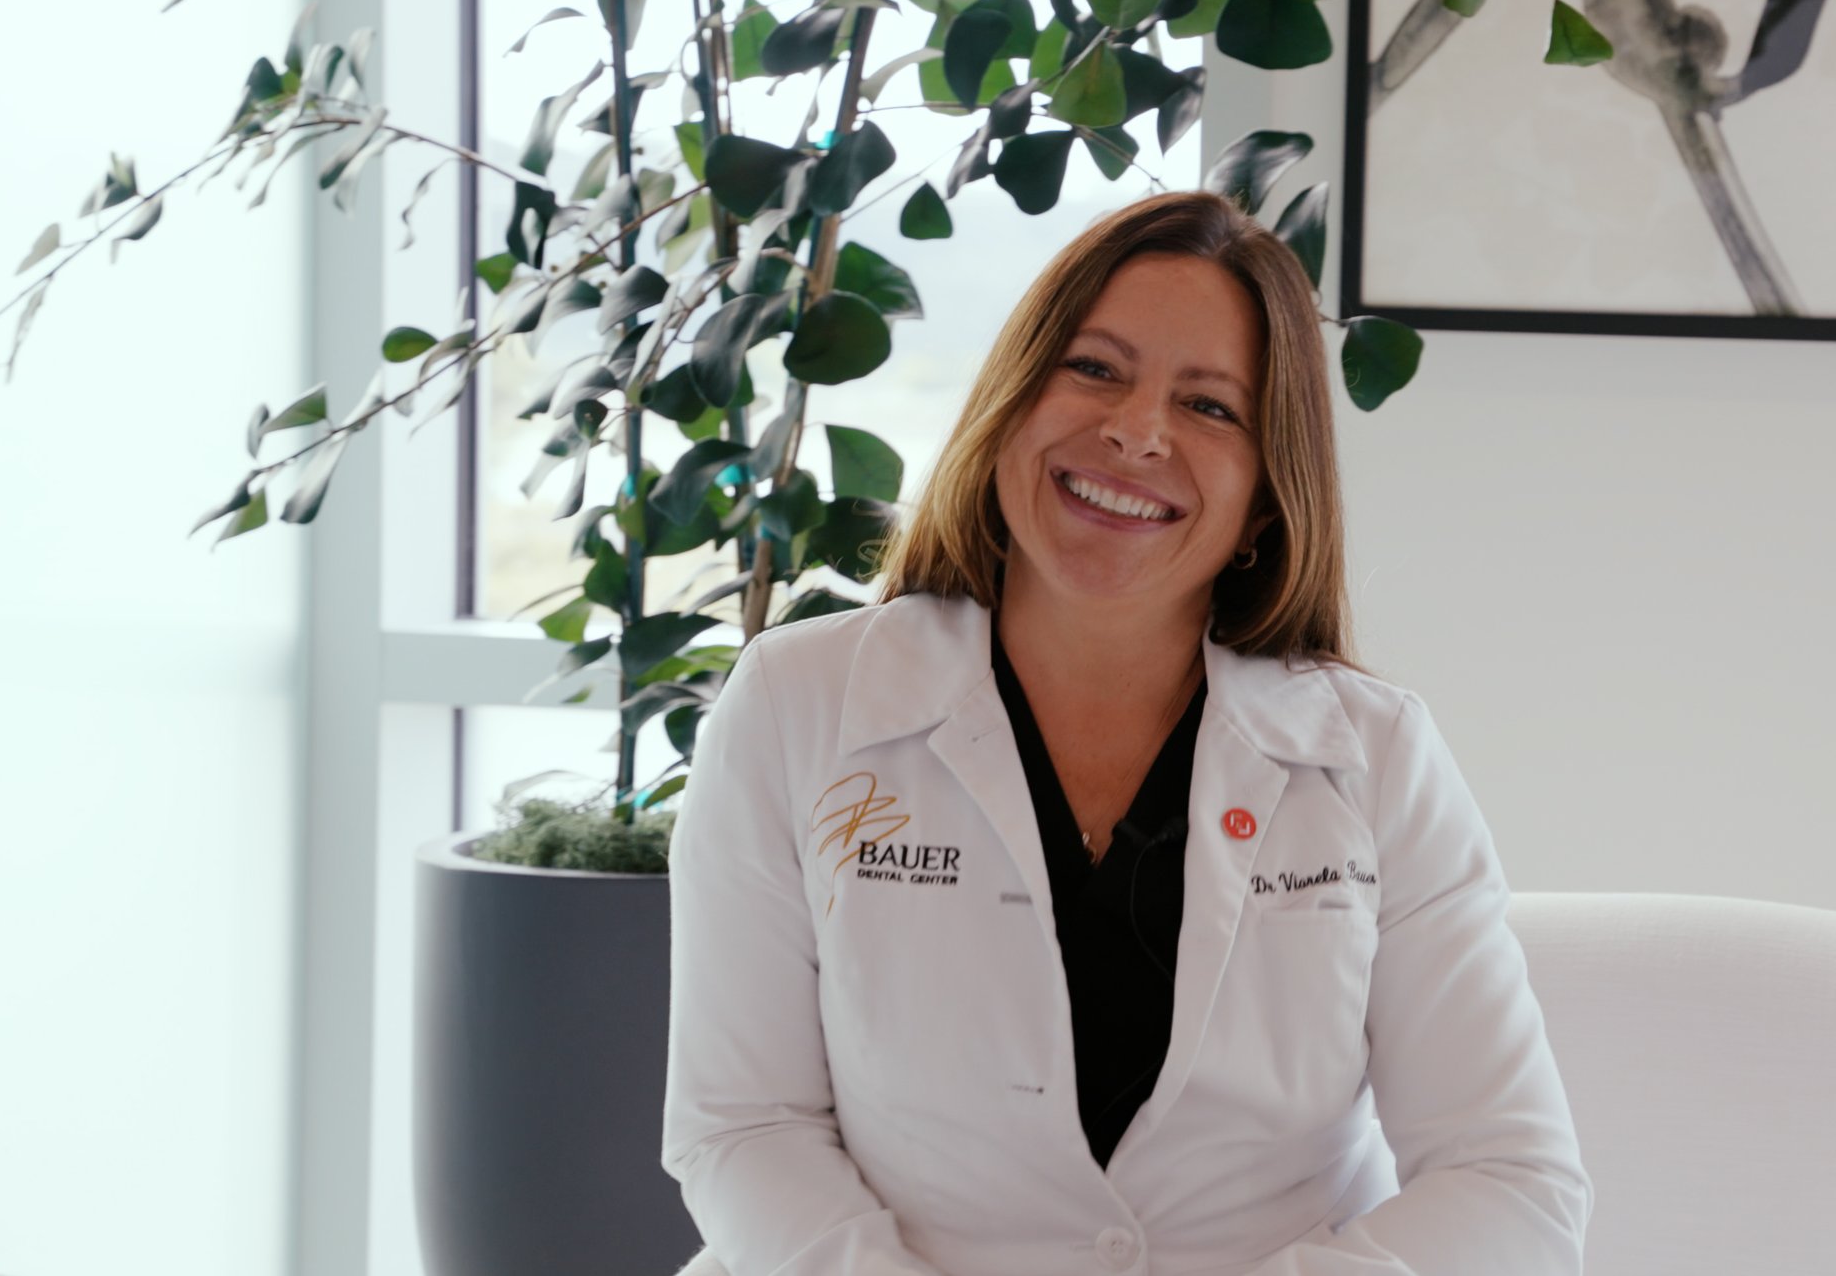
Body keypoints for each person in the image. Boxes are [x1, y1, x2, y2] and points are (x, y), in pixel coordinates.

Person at [660, 191, 1591, 1275]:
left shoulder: (1372, 753)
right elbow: (743, 1123)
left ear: (1262, 500)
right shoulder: (796, 701)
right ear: (1012, 400)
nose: (1138, 430)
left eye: (1209, 406)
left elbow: (1509, 1181)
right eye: (1095, 369)